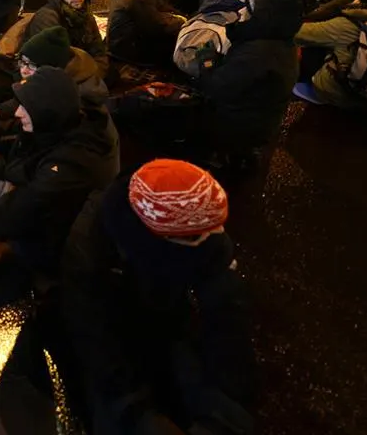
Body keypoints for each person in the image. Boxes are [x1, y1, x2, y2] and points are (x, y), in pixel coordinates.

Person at [62, 160, 255, 435]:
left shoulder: (197, 234)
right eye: (196, 236)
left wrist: (228, 410)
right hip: (118, 327)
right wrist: (136, 414)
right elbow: (96, 341)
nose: (215, 239)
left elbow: (227, 320)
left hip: (163, 316)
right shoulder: (92, 249)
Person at [0, 67, 120, 288]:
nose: (18, 112)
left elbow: (12, 215)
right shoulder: (58, 123)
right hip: (30, 189)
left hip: (48, 241)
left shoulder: (71, 165)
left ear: (46, 111)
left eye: (26, 107)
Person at [200, 0, 303, 176]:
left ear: (266, 16)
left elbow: (215, 87)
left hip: (239, 126)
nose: (243, 11)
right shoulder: (280, 42)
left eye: (250, 7)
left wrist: (206, 61)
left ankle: (223, 161)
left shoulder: (258, 54)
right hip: (259, 120)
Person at [24, 0, 109, 75]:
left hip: (80, 72)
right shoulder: (46, 17)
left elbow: (99, 53)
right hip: (47, 75)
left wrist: (96, 74)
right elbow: (52, 61)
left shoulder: (86, 15)